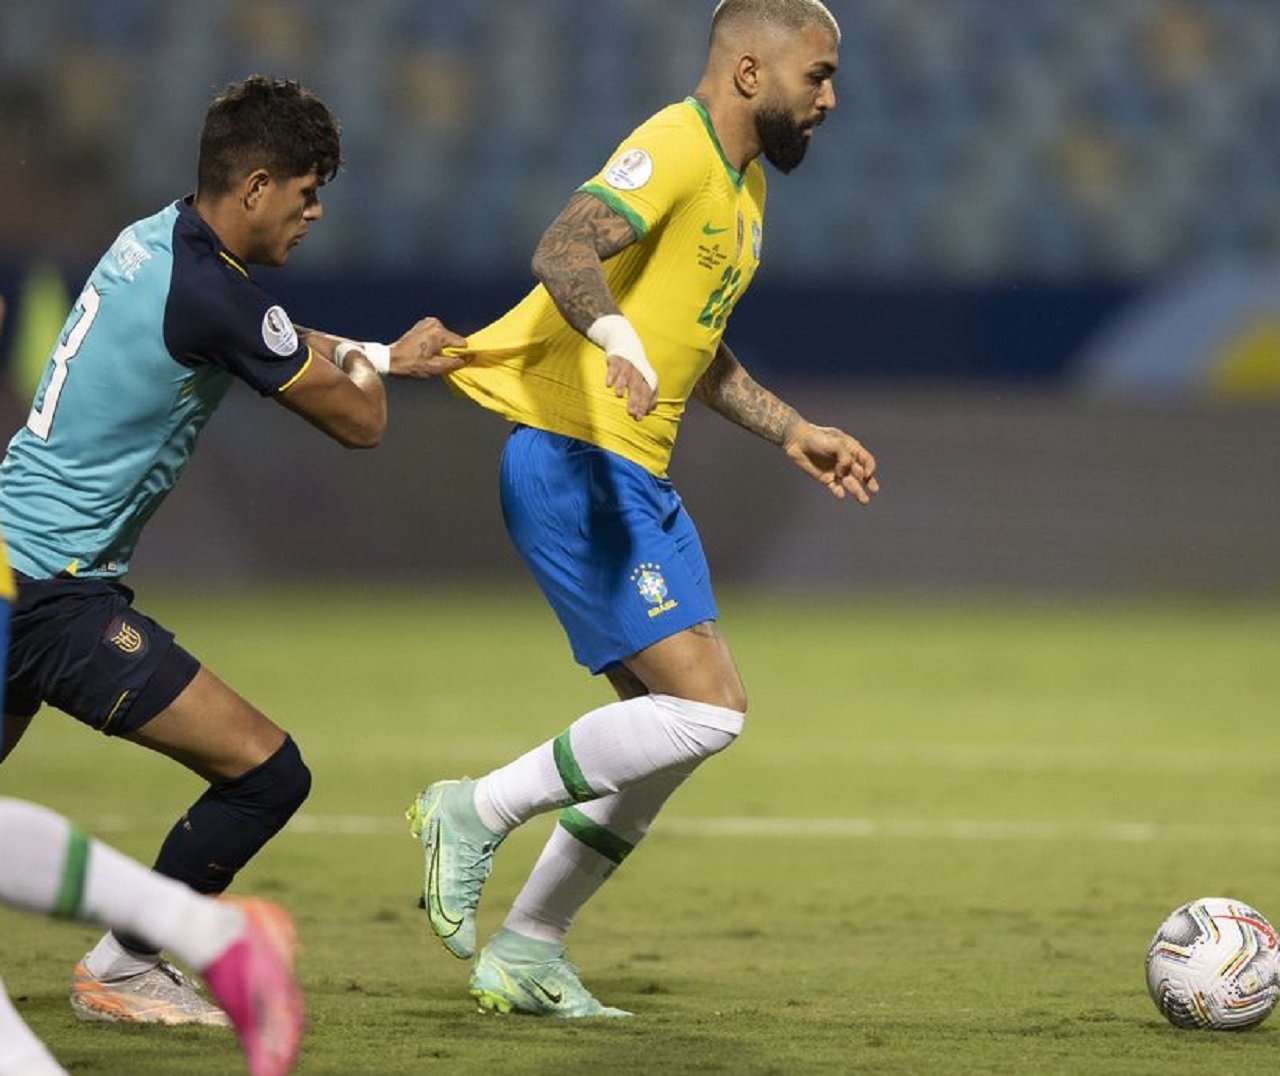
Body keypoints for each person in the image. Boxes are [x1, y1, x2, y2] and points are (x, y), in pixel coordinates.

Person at [407, 0, 876, 1018]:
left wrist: (789, 427)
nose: (830, 98)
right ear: (750, 72)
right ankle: (471, 808)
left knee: (669, 732)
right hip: (578, 460)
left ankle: (527, 947)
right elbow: (563, 251)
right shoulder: (673, 144)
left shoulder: (745, 190)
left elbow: (692, 346)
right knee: (705, 709)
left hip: (632, 471)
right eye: (818, 75)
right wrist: (615, 342)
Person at [0, 75, 466, 1025]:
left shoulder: (155, 240)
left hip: (17, 568)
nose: (315, 212)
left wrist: (378, 349)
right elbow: (360, 425)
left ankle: (126, 964)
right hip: (54, 594)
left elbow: (264, 329)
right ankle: (126, 965)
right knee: (266, 773)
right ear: (255, 187)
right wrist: (377, 375)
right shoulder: (211, 292)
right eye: (305, 193)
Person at [0, 533, 301, 1076]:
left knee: (269, 776)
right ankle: (184, 932)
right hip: (37, 583)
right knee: (267, 775)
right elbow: (363, 438)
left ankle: (183, 931)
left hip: (22, 577)